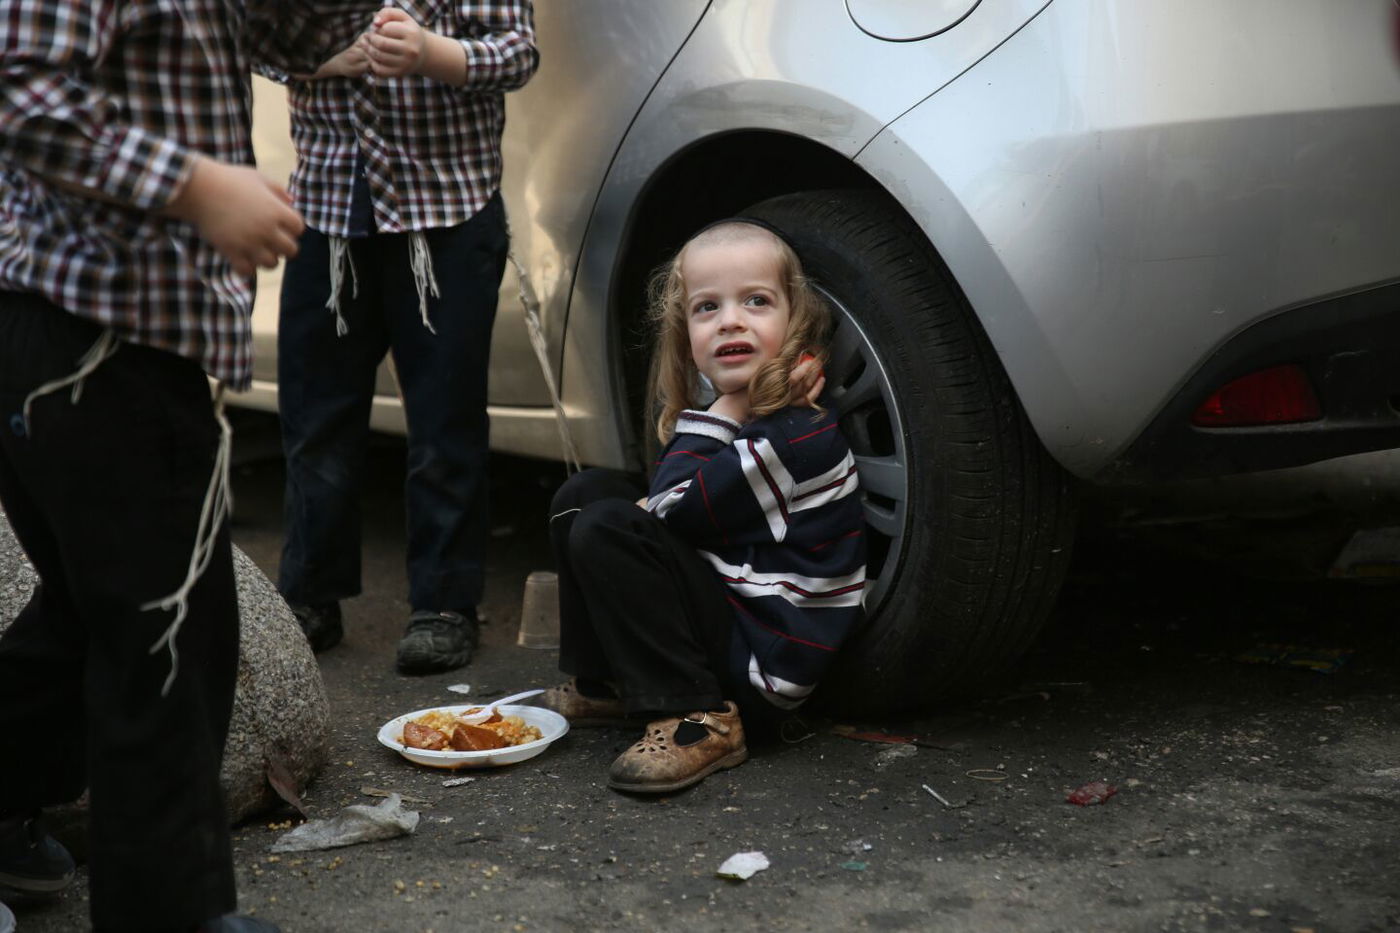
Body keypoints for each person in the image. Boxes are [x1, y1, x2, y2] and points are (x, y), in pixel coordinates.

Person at [0, 2, 323, 931]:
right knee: (171, 643)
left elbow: (298, 39)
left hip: (111, 344)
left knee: (86, 619)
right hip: (91, 342)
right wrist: (194, 186)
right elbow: (18, 85)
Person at [538, 220, 867, 794]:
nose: (730, 320)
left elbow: (666, 508)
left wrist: (731, 405)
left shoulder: (788, 440)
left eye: (756, 301)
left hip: (763, 672)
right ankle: (610, 684)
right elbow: (672, 506)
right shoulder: (760, 425)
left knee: (609, 526)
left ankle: (700, 717)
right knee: (581, 497)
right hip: (734, 614)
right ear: (684, 333)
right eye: (706, 307)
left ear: (797, 322)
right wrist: (734, 408)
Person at [263, 2, 538, 675]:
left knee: (445, 417)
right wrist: (326, 56)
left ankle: (445, 602)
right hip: (328, 212)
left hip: (444, 211)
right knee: (316, 416)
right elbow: (253, 35)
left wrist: (430, 53)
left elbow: (518, 52)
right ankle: (310, 593)